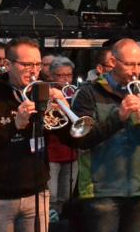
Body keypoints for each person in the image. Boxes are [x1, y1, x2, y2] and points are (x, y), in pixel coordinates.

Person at [69, 38, 140, 232]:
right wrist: (119, 116)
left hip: (139, 187)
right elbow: (83, 140)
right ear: (113, 62)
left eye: (139, 64)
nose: (136, 70)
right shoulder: (89, 93)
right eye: (129, 64)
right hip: (101, 190)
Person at [0, 37, 63, 232]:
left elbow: (74, 139)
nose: (34, 70)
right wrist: (15, 125)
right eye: (27, 64)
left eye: (38, 64)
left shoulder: (42, 94)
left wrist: (63, 111)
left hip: (37, 193)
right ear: (7, 64)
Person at [47, 57, 78, 221]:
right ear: (51, 76)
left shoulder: (76, 93)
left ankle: (59, 220)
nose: (66, 79)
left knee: (65, 196)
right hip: (52, 153)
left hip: (71, 153)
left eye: (69, 75)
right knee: (51, 196)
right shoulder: (46, 94)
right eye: (61, 75)